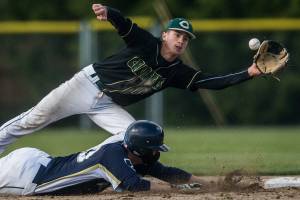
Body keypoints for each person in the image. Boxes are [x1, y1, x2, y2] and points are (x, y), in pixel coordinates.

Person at [0, 3, 261, 154]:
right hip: (85, 85)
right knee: (32, 119)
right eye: (177, 34)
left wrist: (249, 73)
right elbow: (124, 24)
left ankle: (103, 168)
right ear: (165, 36)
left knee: (139, 139)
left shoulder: (178, 72)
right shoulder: (146, 43)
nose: (181, 40)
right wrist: (108, 12)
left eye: (186, 38)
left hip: (107, 105)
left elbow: (211, 82)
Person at [0, 120, 211, 195]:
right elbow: (134, 186)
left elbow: (164, 172)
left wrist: (205, 185)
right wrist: (177, 189)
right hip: (27, 177)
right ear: (140, 150)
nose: (157, 153)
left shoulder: (127, 154)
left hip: (39, 160)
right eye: (155, 149)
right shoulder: (113, 156)